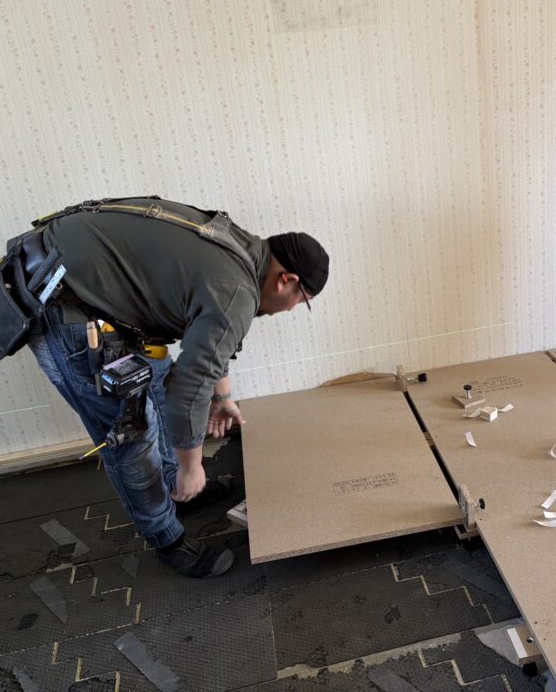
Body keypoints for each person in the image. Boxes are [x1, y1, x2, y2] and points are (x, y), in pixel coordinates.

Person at [24, 197, 328, 578]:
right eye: (301, 300)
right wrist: (192, 466)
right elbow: (190, 387)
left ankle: (172, 488)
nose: (292, 309)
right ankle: (166, 538)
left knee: (156, 377)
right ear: (287, 280)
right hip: (61, 300)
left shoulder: (241, 251)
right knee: (131, 432)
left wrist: (222, 398)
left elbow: (209, 343)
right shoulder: (238, 290)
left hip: (83, 286)